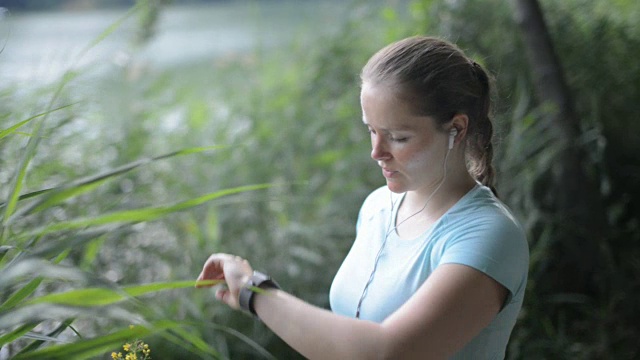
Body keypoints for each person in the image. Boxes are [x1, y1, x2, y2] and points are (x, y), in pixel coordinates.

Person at [196, 36, 529, 359]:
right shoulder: (377, 207)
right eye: (371, 130)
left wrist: (255, 293)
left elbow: (387, 351)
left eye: (398, 137)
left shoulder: (489, 236)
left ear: (456, 128)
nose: (376, 152)